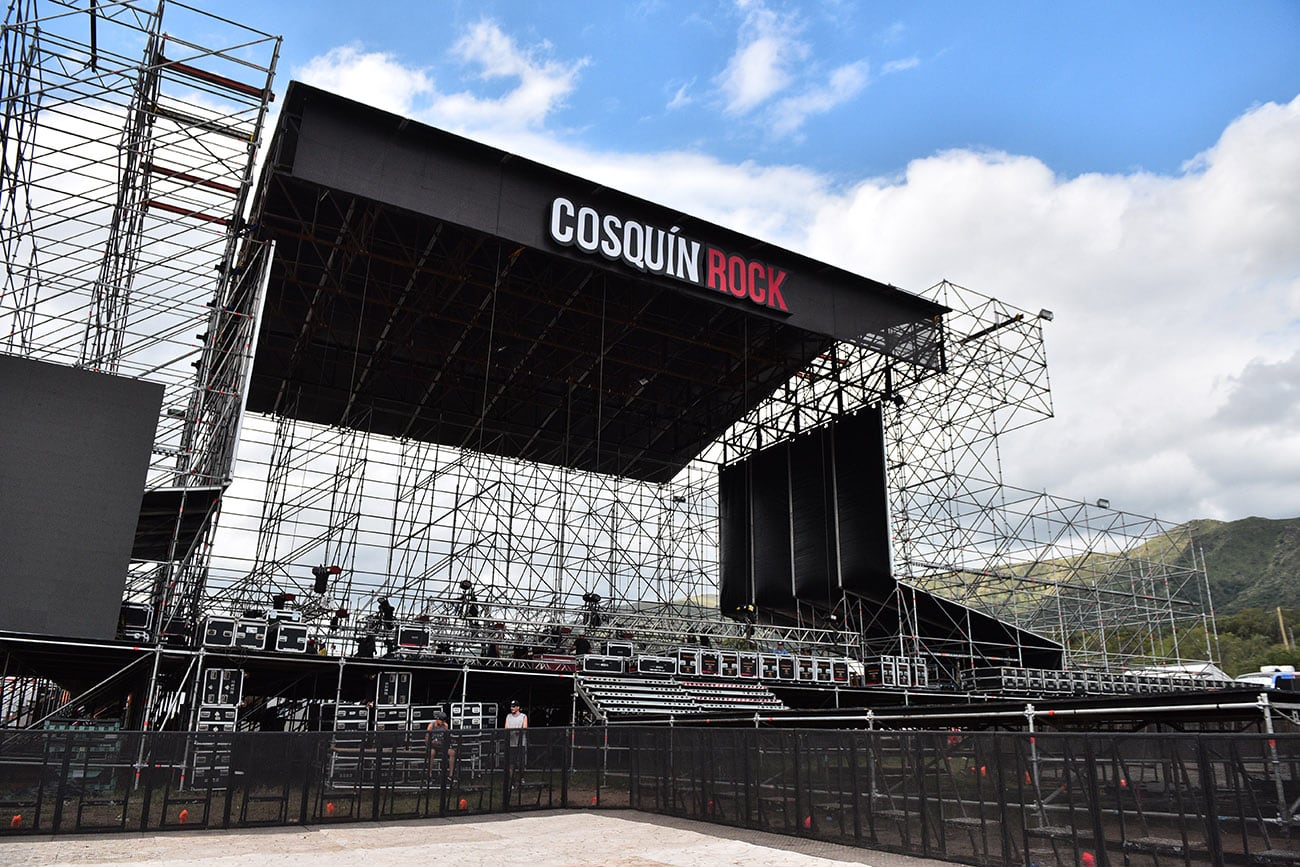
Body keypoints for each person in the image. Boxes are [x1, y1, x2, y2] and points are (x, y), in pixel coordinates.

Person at [425, 710, 457, 780]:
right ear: (438, 719)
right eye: (441, 720)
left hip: (442, 745)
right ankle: (429, 774)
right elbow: (427, 738)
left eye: (443, 721)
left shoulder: (445, 725)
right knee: (432, 753)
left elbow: (446, 736)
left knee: (452, 753)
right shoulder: (431, 725)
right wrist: (431, 743)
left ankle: (451, 775)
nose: (442, 722)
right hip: (433, 745)